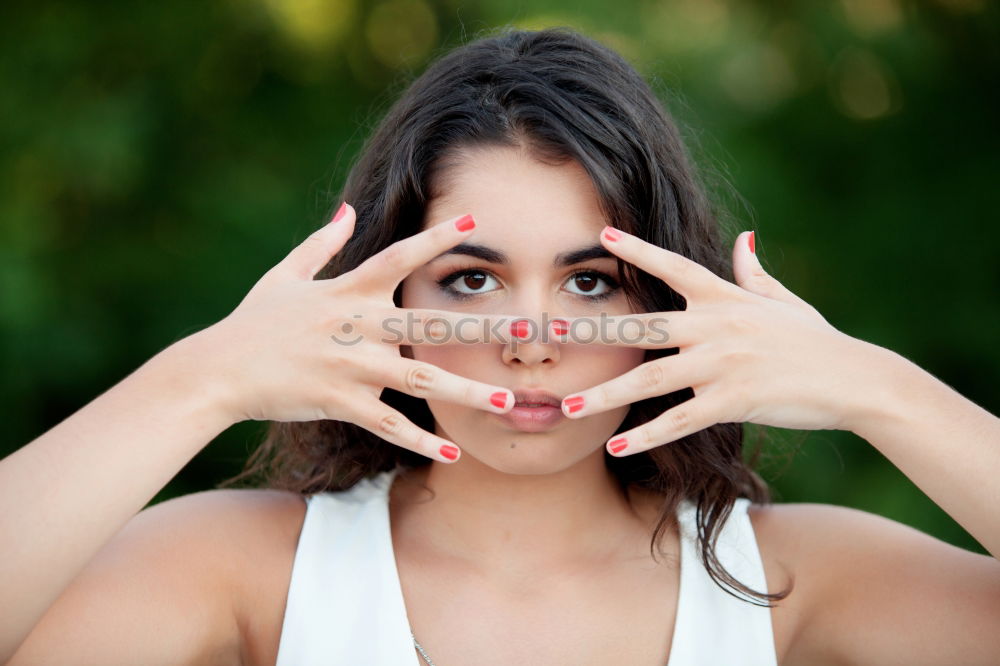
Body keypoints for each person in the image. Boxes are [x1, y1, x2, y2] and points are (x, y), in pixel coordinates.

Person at [3, 25, 999, 666]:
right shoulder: (247, 566)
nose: (531, 342)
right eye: (471, 281)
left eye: (590, 282)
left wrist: (879, 389)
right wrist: (204, 378)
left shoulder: (790, 580)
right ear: (386, 284)